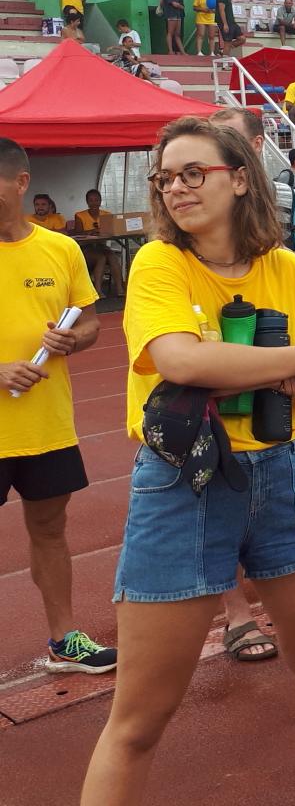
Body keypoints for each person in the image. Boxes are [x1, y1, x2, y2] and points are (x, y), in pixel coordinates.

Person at [80, 117, 295, 805]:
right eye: (167, 178)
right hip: (181, 483)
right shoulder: (160, 263)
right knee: (140, 716)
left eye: (195, 173)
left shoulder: (285, 268)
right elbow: (180, 360)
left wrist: (264, 371)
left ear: (240, 178)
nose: (177, 188)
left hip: (285, 474)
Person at [0, 139, 115, 676]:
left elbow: (89, 320)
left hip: (46, 424)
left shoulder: (60, 249)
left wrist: (76, 340)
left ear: (21, 184)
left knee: (50, 530)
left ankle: (64, 639)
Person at [68, 187, 124, 298]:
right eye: (91, 200)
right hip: (86, 248)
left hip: (101, 246)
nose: (94, 203)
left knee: (112, 257)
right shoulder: (79, 215)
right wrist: (92, 231)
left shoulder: (107, 214)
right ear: (87, 202)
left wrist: (104, 232)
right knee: (101, 258)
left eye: (96, 200)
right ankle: (98, 291)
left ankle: (120, 289)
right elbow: (78, 233)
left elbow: (111, 231)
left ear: (100, 200)